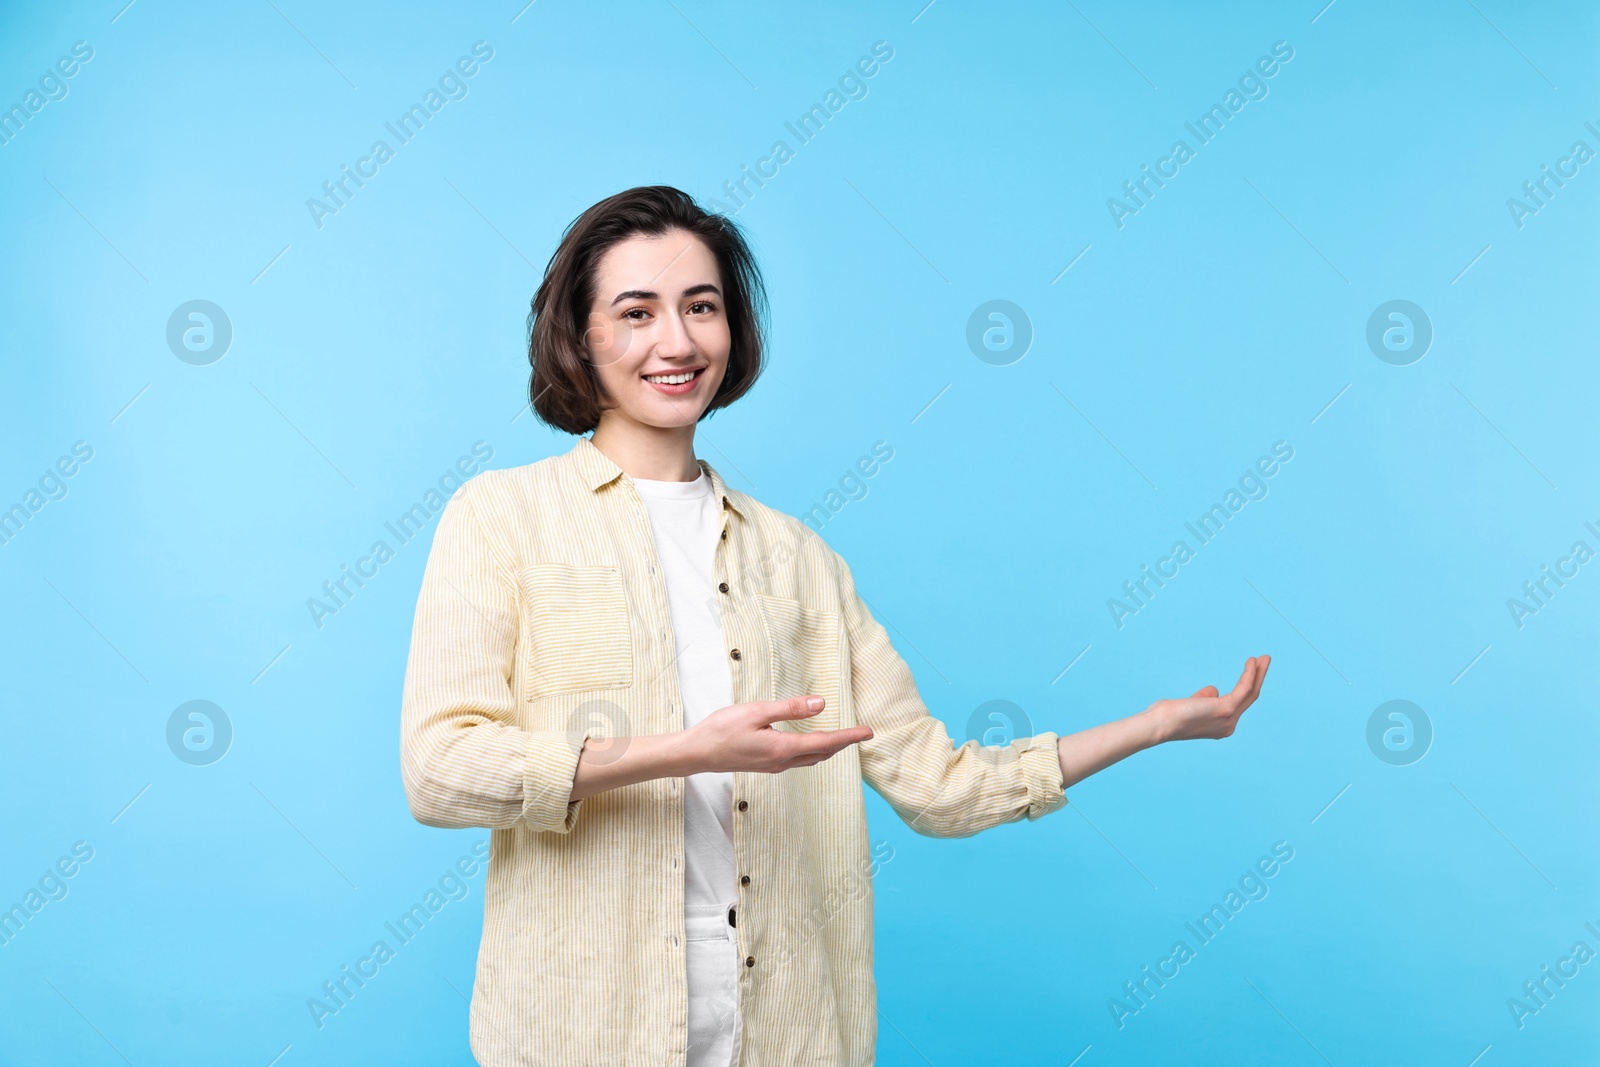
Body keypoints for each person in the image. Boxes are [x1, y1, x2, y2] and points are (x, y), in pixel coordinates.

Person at [399, 185, 1272, 1067]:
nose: (677, 340)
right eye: (636, 312)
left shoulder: (799, 560)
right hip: (578, 1037)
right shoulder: (501, 518)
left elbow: (938, 786)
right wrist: (687, 751)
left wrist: (1160, 725)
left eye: (702, 307)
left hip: (791, 1037)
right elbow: (440, 771)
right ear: (579, 337)